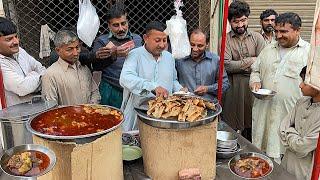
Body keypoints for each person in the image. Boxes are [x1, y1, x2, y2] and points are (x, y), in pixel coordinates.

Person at [250, 12, 310, 163]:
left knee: (284, 158)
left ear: (298, 30)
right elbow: (255, 70)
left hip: (289, 117)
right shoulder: (268, 49)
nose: (278, 35)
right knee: (260, 156)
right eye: (276, 31)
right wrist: (255, 81)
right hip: (263, 111)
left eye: (284, 31)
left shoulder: (309, 53)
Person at [120, 21, 184, 131]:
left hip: (164, 115)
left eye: (164, 40)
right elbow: (125, 78)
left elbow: (173, 81)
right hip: (137, 113)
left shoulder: (169, 57)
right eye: (157, 40)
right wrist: (152, 87)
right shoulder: (134, 55)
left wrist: (181, 90)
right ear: (146, 38)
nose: (162, 45)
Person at [222, 0, 265, 141]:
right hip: (233, 89)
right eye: (236, 22)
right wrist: (251, 60)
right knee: (232, 125)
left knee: (252, 124)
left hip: (254, 88)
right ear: (229, 22)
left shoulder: (257, 38)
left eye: (243, 20)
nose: (240, 25)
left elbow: (262, 63)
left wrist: (241, 65)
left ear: (248, 18)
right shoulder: (225, 40)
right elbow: (227, 65)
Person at [92, 3, 142, 108]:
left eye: (123, 23)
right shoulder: (101, 41)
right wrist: (113, 54)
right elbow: (96, 67)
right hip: (111, 91)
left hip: (134, 91)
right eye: (116, 25)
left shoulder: (137, 39)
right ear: (109, 25)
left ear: (128, 22)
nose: (121, 29)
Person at [279, 66, 320, 180]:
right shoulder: (301, 102)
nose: (300, 85)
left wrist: (290, 131)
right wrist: (296, 139)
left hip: (306, 171)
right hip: (287, 163)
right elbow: (281, 129)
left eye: (305, 82)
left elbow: (301, 147)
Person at [42, 30, 100, 105]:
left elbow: (94, 92)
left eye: (77, 47)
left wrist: (89, 110)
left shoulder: (84, 68)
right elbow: (51, 108)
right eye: (69, 49)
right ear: (58, 50)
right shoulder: (50, 75)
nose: (76, 53)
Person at [0, 17, 46, 107]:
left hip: (35, 107)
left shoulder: (20, 51)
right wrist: (39, 78)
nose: (16, 41)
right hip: (16, 117)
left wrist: (31, 78)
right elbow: (22, 88)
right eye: (9, 39)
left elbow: (42, 69)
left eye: (16, 37)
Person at [176, 29, 230, 100]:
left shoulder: (215, 60)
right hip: (185, 106)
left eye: (200, 46)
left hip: (208, 104)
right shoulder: (179, 60)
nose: (195, 49)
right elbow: (172, 80)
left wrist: (207, 89)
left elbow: (225, 84)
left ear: (207, 44)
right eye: (192, 45)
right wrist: (179, 88)